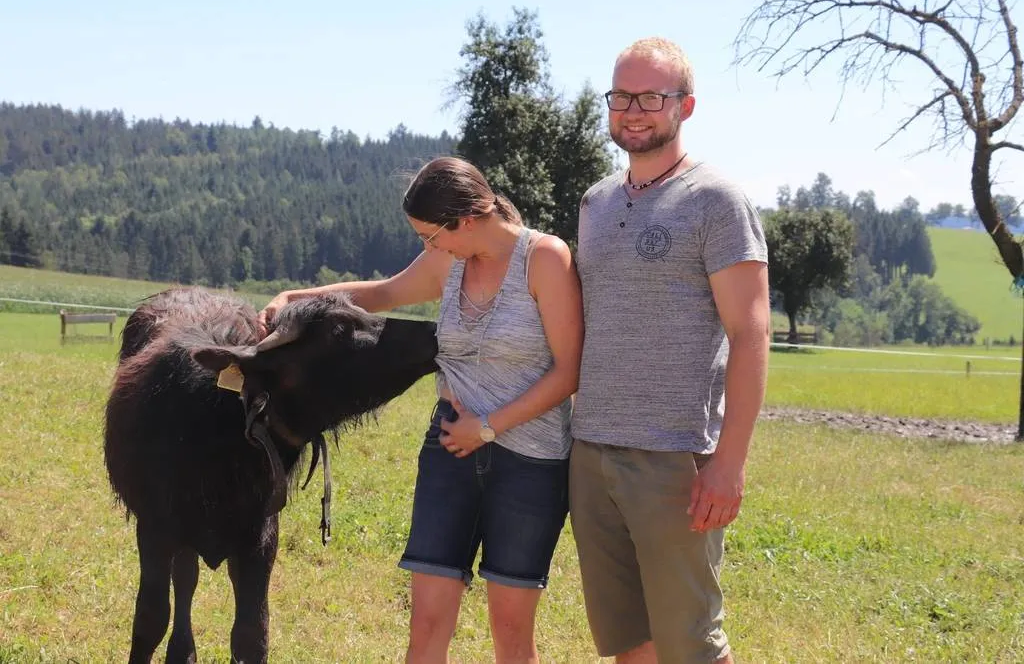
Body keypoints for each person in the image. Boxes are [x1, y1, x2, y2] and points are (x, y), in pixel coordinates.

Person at [258, 156, 583, 664]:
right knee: (427, 623)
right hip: (449, 449)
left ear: (469, 219)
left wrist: (489, 427)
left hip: (530, 464)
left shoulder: (544, 259)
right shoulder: (448, 260)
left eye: (431, 236)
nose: (428, 248)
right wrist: (294, 298)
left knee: (511, 632)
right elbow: (382, 293)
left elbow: (568, 372)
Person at [569, 37, 770, 663]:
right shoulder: (596, 202)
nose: (633, 111)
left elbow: (751, 334)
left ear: (686, 106)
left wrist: (728, 462)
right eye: (621, 96)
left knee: (690, 644)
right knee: (628, 638)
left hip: (674, 459)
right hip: (592, 449)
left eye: (651, 98)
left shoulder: (716, 201)